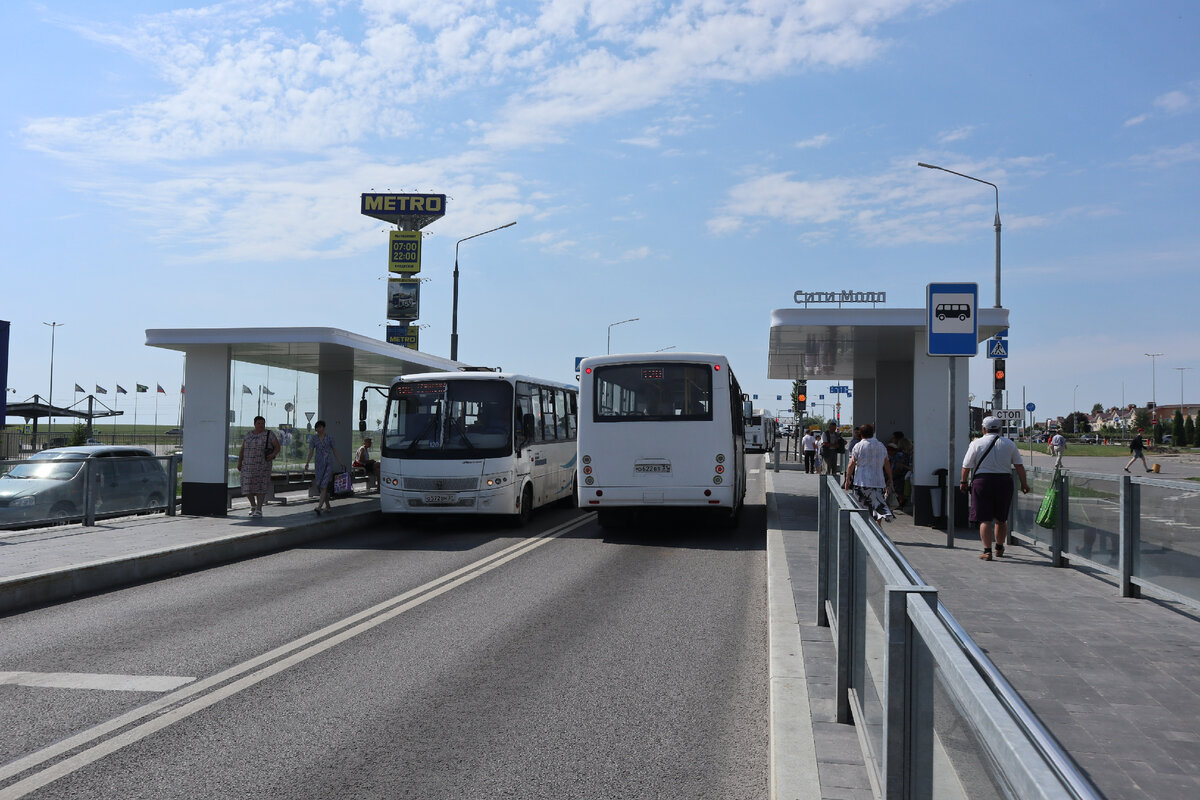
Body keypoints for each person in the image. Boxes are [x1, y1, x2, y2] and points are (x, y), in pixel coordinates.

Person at [960, 416, 1030, 561]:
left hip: (982, 482)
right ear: (1000, 429)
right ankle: (999, 547)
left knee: (984, 519)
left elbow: (966, 466)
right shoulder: (1009, 444)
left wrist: (963, 482)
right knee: (1001, 519)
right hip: (1004, 482)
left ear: (984, 429)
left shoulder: (976, 444)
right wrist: (1024, 484)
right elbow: (1019, 466)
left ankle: (987, 551)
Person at [843, 423, 894, 522]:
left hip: (861, 482)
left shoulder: (859, 446)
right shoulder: (881, 446)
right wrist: (890, 479)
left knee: (862, 507)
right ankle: (877, 527)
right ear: (873, 433)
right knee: (878, 507)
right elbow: (887, 464)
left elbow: (851, 463)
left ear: (861, 434)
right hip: (878, 482)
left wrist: (847, 479)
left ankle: (865, 528)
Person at [236, 415, 278, 518]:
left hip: (263, 465)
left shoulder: (269, 434)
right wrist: (239, 462)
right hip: (248, 465)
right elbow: (243, 449)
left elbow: (277, 447)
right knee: (246, 486)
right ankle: (253, 505)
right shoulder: (248, 435)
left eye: (263, 423)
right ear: (254, 424)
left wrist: (272, 455)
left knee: (261, 487)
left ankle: (259, 509)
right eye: (259, 423)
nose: (261, 425)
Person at [304, 420, 346, 514]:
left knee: (324, 486)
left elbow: (335, 450)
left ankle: (319, 507)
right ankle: (327, 505)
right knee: (320, 485)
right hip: (318, 465)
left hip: (328, 464)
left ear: (324, 428)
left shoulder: (330, 438)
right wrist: (307, 462)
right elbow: (311, 451)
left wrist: (341, 462)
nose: (319, 429)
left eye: (320, 427)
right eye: (317, 428)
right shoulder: (313, 438)